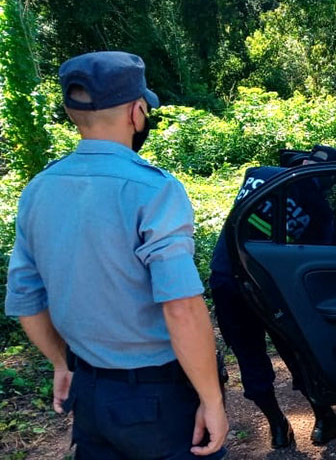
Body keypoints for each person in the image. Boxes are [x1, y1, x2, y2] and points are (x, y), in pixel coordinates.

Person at [3, 51, 228, 459]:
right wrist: (211, 399)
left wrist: (61, 364)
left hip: (89, 392)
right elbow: (181, 307)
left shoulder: (38, 190)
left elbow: (25, 299)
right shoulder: (153, 190)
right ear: (136, 111)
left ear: (73, 114)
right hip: (159, 398)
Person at [209, 145, 336, 449]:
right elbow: (315, 260)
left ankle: (277, 426)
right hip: (270, 289)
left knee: (249, 356)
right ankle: (324, 419)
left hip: (226, 279)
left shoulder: (259, 175)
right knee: (297, 351)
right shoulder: (320, 213)